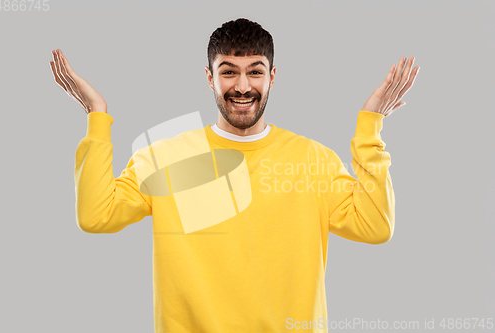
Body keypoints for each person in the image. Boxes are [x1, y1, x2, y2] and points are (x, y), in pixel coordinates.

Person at [50, 17, 419, 333]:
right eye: (228, 71)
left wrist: (370, 130)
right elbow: (96, 215)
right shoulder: (164, 157)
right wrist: (96, 115)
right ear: (209, 77)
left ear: (272, 77)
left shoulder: (313, 159)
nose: (242, 87)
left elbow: (376, 226)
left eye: (255, 71)